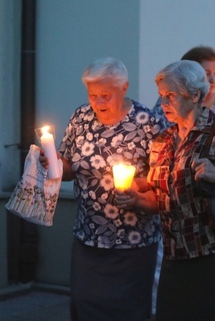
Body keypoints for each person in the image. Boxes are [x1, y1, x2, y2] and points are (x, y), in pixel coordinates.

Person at [115, 60, 215, 320]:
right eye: (161, 96)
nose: (163, 103)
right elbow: (160, 199)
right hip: (176, 253)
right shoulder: (162, 142)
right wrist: (135, 198)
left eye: (171, 96)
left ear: (196, 95)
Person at [47, 57, 165, 320]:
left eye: (105, 95)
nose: (98, 103)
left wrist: (137, 195)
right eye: (92, 95)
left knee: (129, 311)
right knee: (85, 306)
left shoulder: (148, 122)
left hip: (134, 242)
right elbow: (67, 168)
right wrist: (53, 163)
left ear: (124, 88)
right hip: (88, 238)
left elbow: (163, 183)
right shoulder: (81, 117)